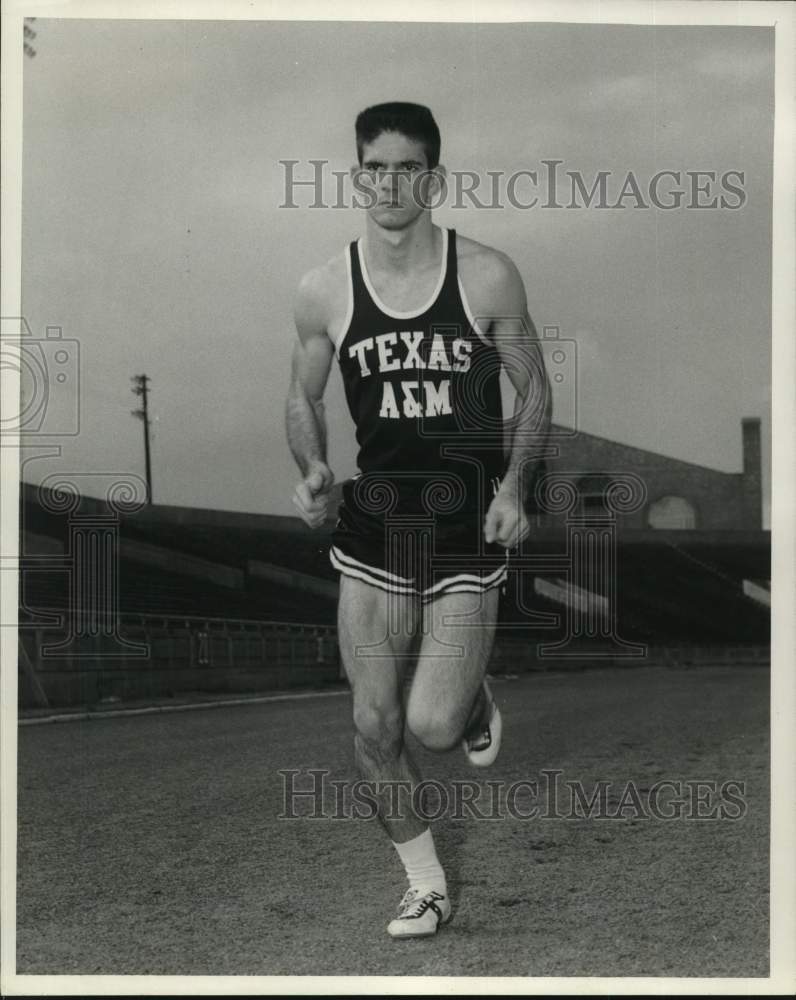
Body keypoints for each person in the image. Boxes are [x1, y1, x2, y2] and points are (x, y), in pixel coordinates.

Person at [285, 102, 551, 938]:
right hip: (374, 530)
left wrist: (513, 487)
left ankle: (470, 704)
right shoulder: (323, 288)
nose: (390, 182)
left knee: (433, 726)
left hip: (466, 525)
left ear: (432, 178)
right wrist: (314, 469)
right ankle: (424, 883)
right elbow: (302, 394)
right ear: (357, 173)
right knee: (373, 721)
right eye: (375, 166)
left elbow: (534, 389)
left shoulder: (487, 275)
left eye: (407, 168)